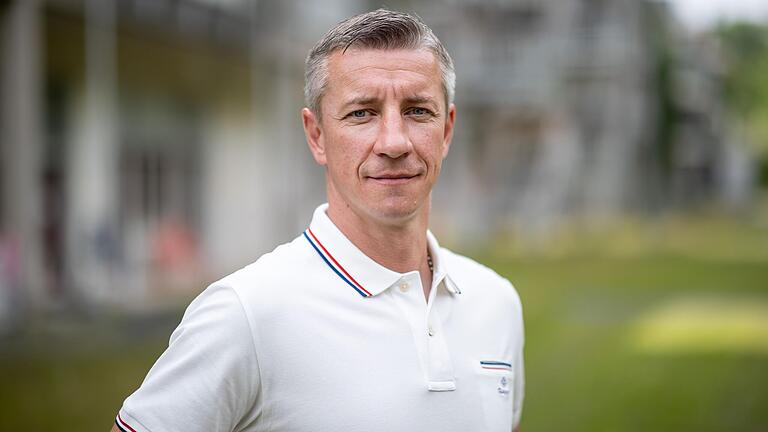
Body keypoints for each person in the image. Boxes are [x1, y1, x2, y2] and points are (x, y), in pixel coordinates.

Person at [112, 9, 524, 432]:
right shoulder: (246, 313)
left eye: (418, 111)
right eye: (362, 113)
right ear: (317, 136)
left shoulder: (496, 303)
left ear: (448, 130)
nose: (394, 142)